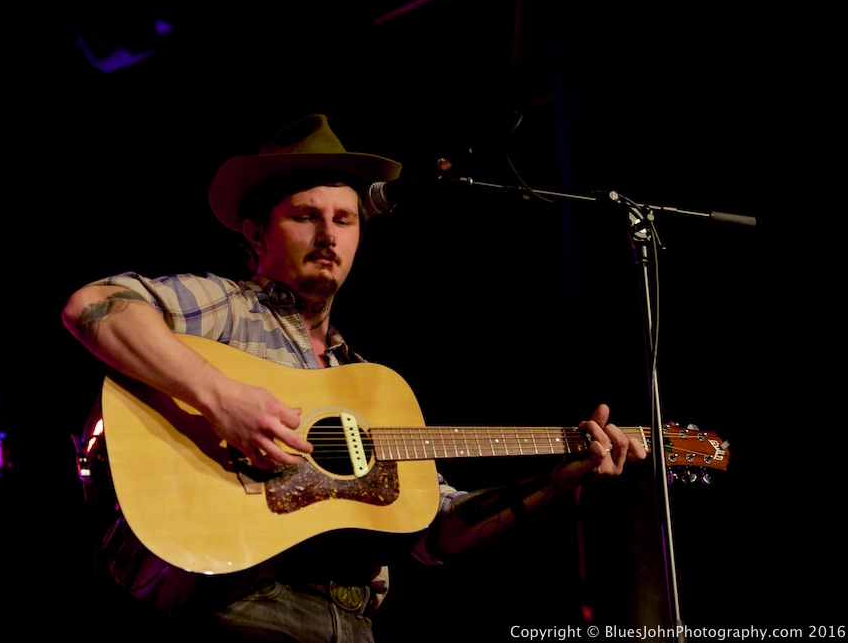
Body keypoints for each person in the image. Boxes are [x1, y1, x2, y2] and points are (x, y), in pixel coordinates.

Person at [61, 114, 647, 641]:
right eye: (305, 217)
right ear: (256, 235)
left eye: (343, 219)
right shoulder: (228, 307)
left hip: (352, 622)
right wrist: (222, 399)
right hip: (238, 606)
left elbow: (435, 531)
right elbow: (95, 303)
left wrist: (553, 481)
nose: (329, 236)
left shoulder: (366, 383)